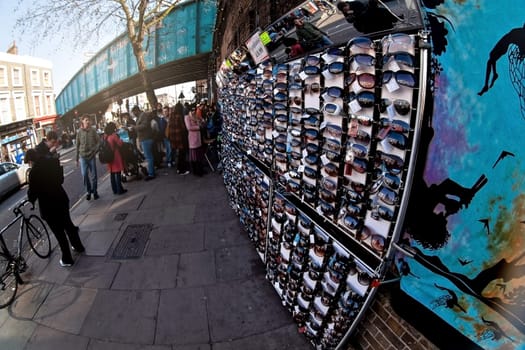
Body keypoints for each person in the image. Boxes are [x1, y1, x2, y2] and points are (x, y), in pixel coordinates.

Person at [26, 131, 85, 267]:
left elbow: (33, 194)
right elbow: (60, 179)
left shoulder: (34, 173)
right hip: (61, 199)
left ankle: (67, 259)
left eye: (29, 163)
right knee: (68, 225)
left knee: (59, 233)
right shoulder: (52, 162)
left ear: (31, 161)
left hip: (49, 207)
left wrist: (31, 197)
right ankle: (79, 247)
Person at [478, 24, 525, 96]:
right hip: (505, 44)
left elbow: (521, 46)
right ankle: (493, 76)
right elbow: (520, 46)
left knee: (491, 58)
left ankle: (489, 81)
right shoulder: (519, 33)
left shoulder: (520, 33)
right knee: (491, 59)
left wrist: (521, 53)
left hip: (504, 44)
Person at [336, 0, 402, 34]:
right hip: (365, 25)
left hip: (367, 20)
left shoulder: (356, 4)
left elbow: (364, 12)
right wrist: (351, 18)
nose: (346, 11)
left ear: (347, 5)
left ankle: (397, 18)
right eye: (344, 11)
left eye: (345, 9)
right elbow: (350, 21)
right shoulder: (345, 11)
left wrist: (354, 13)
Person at [75, 114, 100, 200]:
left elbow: (98, 141)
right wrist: (76, 159)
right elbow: (77, 146)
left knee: (94, 176)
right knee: (84, 175)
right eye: (86, 120)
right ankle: (89, 191)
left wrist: (95, 150)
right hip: (83, 157)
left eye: (88, 120)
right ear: (82, 121)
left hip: (91, 156)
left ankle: (95, 192)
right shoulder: (79, 132)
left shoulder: (93, 130)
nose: (88, 121)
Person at [167, 102, 190, 175]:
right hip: (180, 137)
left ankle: (179, 169)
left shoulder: (171, 116)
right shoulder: (179, 116)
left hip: (173, 138)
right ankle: (181, 170)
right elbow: (183, 127)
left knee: (178, 153)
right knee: (182, 154)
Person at [104, 122, 127, 195]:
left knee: (112, 174)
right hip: (115, 156)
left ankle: (114, 190)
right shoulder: (113, 135)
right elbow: (120, 143)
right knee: (117, 173)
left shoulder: (105, 136)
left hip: (108, 156)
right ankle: (120, 189)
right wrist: (122, 141)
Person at [134, 105, 156, 181]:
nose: (133, 114)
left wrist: (134, 127)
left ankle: (151, 174)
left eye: (134, 112)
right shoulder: (140, 116)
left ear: (136, 110)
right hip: (144, 138)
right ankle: (152, 172)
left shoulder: (143, 116)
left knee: (149, 157)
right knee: (149, 156)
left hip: (146, 138)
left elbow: (144, 126)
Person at [184, 105, 205, 176]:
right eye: (192, 110)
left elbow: (202, 121)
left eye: (194, 110)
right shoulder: (187, 117)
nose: (193, 112)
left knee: (199, 155)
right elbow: (189, 127)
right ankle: (196, 171)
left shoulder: (196, 116)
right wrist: (198, 127)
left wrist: (202, 121)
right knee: (194, 156)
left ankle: (200, 169)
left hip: (198, 137)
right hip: (192, 138)